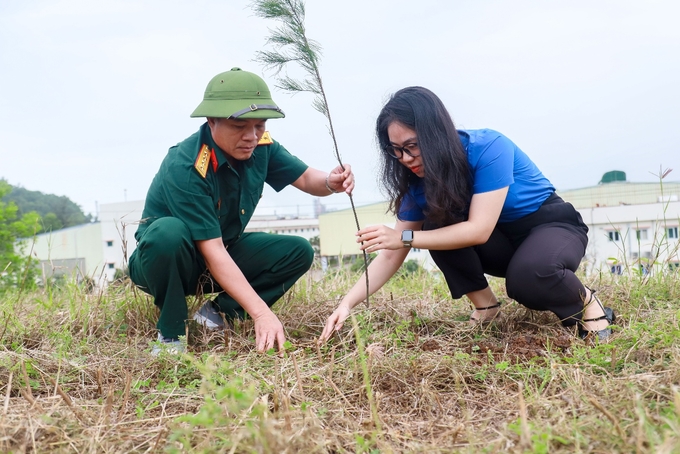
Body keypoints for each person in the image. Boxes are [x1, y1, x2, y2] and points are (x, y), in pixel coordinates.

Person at [319, 86, 615, 344]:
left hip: (548, 226)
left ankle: (588, 303)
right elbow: (389, 254)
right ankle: (486, 308)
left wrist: (405, 237)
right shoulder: (417, 182)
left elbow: (478, 230)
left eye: (412, 146)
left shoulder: (488, 147)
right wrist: (347, 303)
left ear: (436, 134)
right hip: (502, 245)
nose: (405, 159)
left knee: (527, 279)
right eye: (396, 150)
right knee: (435, 224)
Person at [129, 67, 354, 355]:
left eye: (259, 125)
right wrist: (261, 313)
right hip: (168, 261)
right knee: (167, 233)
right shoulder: (186, 164)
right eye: (240, 127)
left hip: (221, 251)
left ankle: (216, 315)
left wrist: (331, 183)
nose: (252, 135)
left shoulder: (261, 147)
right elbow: (211, 249)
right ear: (211, 121)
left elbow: (308, 178)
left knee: (298, 250)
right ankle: (171, 335)